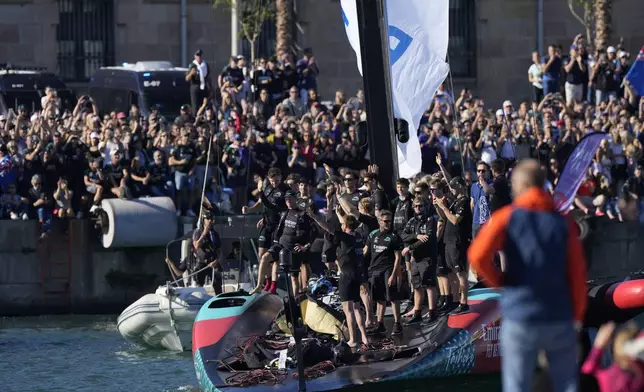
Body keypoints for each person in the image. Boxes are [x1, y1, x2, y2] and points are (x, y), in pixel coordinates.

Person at [469, 159, 588, 392]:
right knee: (566, 385)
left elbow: (477, 254)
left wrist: (500, 282)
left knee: (517, 386)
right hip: (558, 316)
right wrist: (576, 316)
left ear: (521, 185)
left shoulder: (507, 217)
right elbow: (577, 273)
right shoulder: (562, 222)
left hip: (520, 314)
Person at [307, 204, 369, 348]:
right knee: (357, 308)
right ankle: (365, 338)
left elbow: (328, 228)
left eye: (342, 224)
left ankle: (354, 339)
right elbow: (347, 222)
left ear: (346, 226)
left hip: (346, 276)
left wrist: (314, 217)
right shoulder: (358, 237)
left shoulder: (345, 237)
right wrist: (339, 212)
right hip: (357, 276)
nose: (340, 227)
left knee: (348, 311)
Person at [249, 190, 315, 295]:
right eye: (286, 199)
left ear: (296, 200)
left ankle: (295, 301)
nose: (288, 201)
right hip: (281, 245)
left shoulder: (303, 214)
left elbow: (313, 232)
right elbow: (271, 207)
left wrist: (305, 246)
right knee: (264, 258)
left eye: (290, 199)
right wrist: (262, 196)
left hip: (294, 249)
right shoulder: (284, 212)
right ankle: (258, 286)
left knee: (294, 278)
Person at [242, 168, 288, 292]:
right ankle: (267, 282)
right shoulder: (267, 187)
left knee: (273, 259)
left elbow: (274, 207)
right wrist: (250, 209)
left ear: (281, 178)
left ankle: (273, 285)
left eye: (277, 181)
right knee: (261, 255)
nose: (275, 183)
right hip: (266, 224)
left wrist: (261, 192)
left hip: (277, 227)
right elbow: (261, 202)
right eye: (273, 181)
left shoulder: (285, 190)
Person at [435, 176, 472, 315]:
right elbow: (444, 217)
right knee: (451, 272)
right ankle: (455, 300)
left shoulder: (464, 201)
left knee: (460, 273)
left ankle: (464, 302)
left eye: (453, 187)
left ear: (460, 186)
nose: (451, 190)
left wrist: (444, 207)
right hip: (448, 240)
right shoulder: (455, 201)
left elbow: (455, 220)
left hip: (458, 241)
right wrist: (438, 206)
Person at [364, 210, 404, 336]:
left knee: (392, 297)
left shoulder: (394, 237)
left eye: (390, 221)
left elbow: (398, 257)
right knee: (379, 298)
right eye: (385, 221)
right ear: (379, 221)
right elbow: (366, 251)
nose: (388, 224)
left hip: (388, 269)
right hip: (374, 270)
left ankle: (398, 323)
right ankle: (380, 324)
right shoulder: (372, 235)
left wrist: (394, 274)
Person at [400, 197, 438, 325]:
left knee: (429, 285)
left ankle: (432, 312)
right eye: (416, 206)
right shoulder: (412, 221)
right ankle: (417, 313)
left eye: (421, 206)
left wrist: (410, 247)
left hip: (427, 257)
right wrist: (416, 236)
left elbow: (426, 239)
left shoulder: (430, 220)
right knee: (416, 286)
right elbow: (403, 235)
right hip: (415, 258)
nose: (418, 208)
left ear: (425, 206)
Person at [165, 209, 222, 291]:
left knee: (217, 284)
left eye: (211, 219)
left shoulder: (214, 234)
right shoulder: (190, 257)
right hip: (201, 266)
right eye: (208, 219)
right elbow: (179, 273)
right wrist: (171, 263)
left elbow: (219, 250)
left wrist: (216, 261)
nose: (210, 221)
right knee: (198, 285)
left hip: (212, 263)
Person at [186, 49, 212, 116]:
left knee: (205, 103)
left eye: (200, 56)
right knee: (195, 104)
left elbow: (208, 76)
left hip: (204, 86)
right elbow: (187, 78)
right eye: (197, 56)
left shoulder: (205, 64)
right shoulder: (192, 65)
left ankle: (204, 116)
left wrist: (210, 87)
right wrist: (191, 73)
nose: (199, 57)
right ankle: (195, 117)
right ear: (195, 56)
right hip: (195, 85)